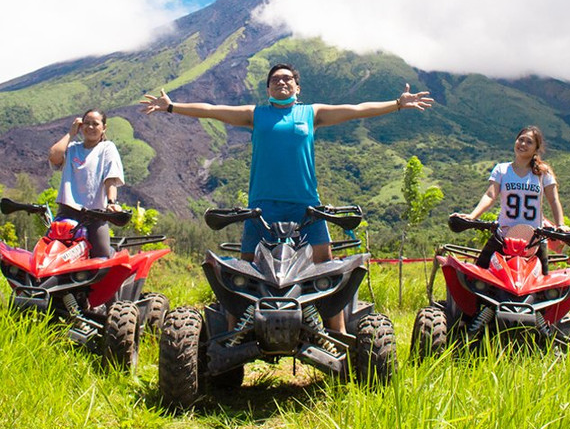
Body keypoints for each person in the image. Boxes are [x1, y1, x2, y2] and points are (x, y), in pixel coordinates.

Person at [141, 63, 433, 330]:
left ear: (298, 87)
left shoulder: (311, 113)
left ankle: (337, 334)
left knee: (324, 264)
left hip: (306, 206)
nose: (281, 82)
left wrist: (396, 104)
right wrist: (171, 107)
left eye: (288, 78)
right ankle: (231, 337)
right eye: (275, 79)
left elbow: (356, 109)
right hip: (261, 206)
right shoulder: (256, 114)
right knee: (244, 269)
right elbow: (211, 109)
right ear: (267, 88)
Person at [460, 126, 568, 269]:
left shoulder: (543, 172)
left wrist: (560, 225)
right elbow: (490, 195)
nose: (523, 144)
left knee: (542, 286)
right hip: (503, 237)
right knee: (477, 276)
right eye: (520, 140)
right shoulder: (502, 169)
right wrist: (472, 217)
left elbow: (554, 200)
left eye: (529, 142)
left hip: (534, 240)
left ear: (536, 148)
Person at [48, 108, 125, 258]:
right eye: (87, 123)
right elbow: (54, 156)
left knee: (101, 257)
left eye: (95, 124)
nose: (90, 127)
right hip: (67, 211)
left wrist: (111, 202)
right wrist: (71, 133)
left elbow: (110, 178)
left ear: (104, 128)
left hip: (95, 214)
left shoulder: (107, 148)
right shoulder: (72, 149)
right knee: (50, 253)